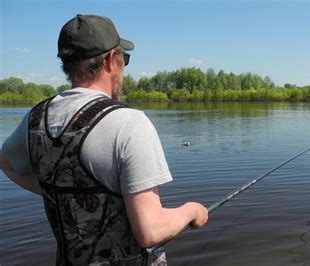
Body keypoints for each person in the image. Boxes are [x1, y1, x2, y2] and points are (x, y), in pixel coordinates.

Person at [0, 14, 208, 265]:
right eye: (125, 59)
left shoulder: (35, 119)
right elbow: (150, 231)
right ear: (111, 60)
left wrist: (54, 193)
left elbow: (8, 163)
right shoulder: (129, 123)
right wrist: (192, 210)